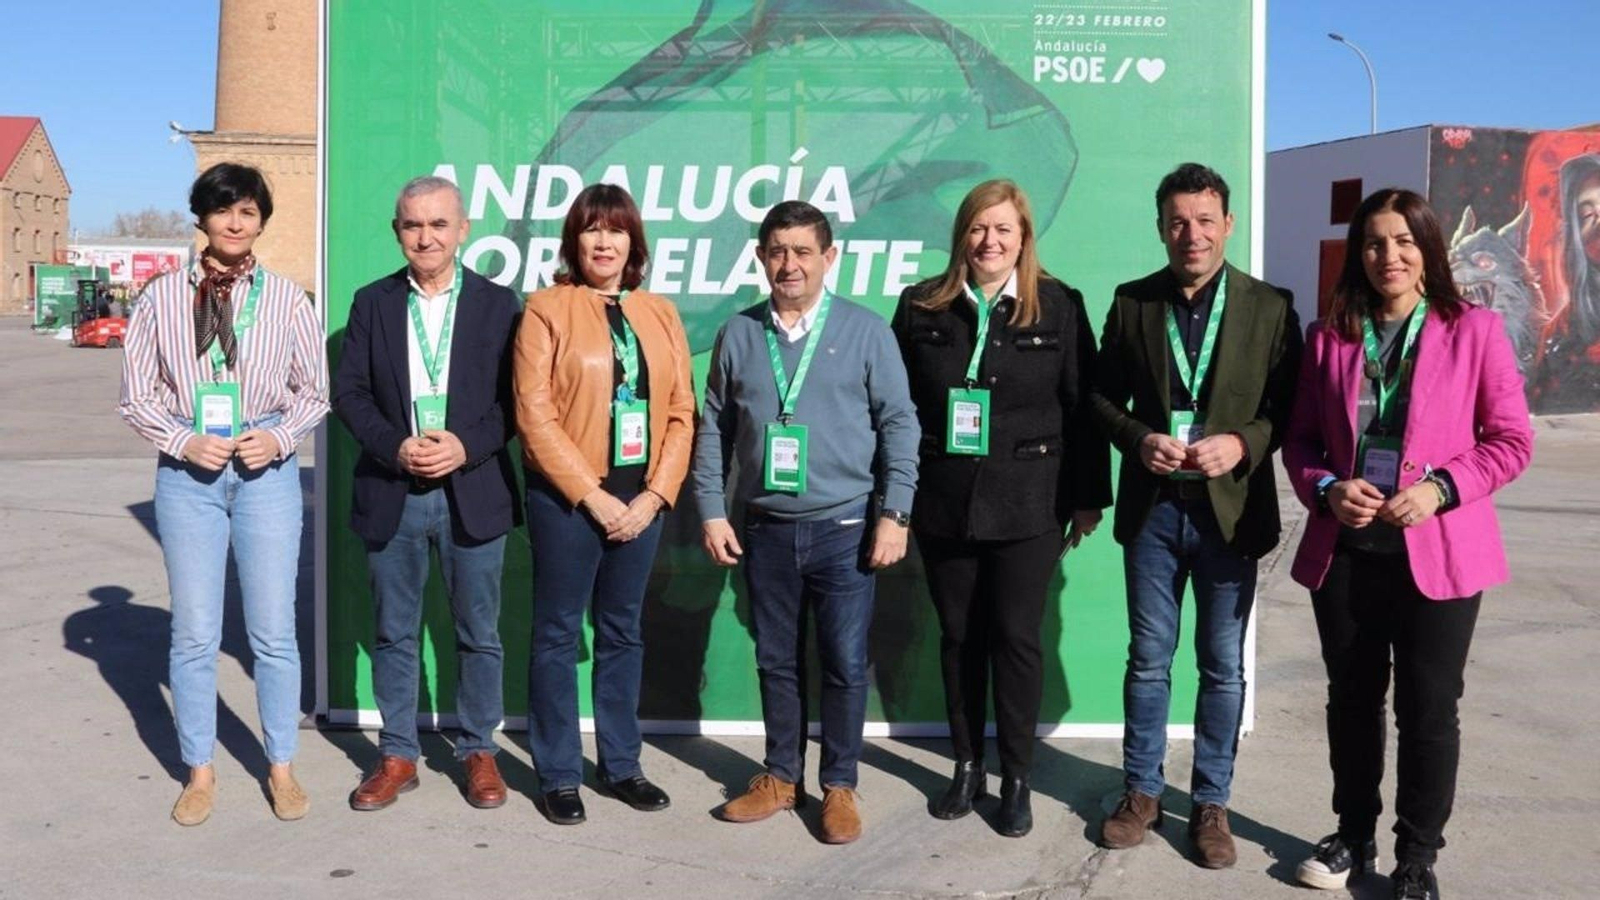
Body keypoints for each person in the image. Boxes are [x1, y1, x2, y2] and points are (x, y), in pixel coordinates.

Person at [1283, 188, 1533, 900]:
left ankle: (1417, 855)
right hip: (1348, 552)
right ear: (1357, 255)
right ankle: (1352, 837)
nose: (1387, 255)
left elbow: (1511, 441)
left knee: (1428, 707)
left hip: (1441, 554)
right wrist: (1328, 484)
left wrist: (1442, 489)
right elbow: (1301, 440)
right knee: (1352, 702)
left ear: (1427, 252)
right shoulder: (1329, 337)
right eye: (1373, 243)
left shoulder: (1473, 330)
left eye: (1403, 241)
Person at [1089, 162, 1302, 868]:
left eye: (1206, 220)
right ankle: (1141, 793)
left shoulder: (1270, 306)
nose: (1193, 234)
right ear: (1160, 227)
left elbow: (1287, 411)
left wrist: (1241, 442)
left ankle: (1211, 804)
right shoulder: (1131, 303)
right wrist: (1139, 438)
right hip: (1153, 514)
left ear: (1228, 225)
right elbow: (1097, 399)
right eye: (1178, 221)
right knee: (1148, 661)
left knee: (1221, 668)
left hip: (1229, 515)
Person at [693, 200, 918, 844]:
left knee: (845, 663)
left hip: (846, 526)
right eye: (776, 251)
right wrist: (712, 510)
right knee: (776, 662)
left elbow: (899, 424)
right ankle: (780, 777)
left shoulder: (867, 331)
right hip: (764, 529)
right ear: (762, 258)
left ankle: (839, 785)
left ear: (829, 258)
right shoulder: (739, 333)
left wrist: (894, 512)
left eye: (802, 251)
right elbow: (713, 430)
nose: (789, 264)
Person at [890, 179, 1110, 837]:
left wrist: (1087, 498)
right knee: (959, 638)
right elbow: (895, 412)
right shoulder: (921, 305)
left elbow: (1083, 404)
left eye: (1004, 230)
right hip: (945, 501)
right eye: (979, 229)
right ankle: (966, 766)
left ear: (1024, 239)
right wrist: (895, 500)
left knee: (1015, 638)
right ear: (962, 235)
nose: (990, 242)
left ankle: (1017, 778)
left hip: (1031, 501)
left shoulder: (1060, 306)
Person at [118, 162, 328, 826]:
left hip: (265, 474)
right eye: (223, 210)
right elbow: (136, 396)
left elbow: (314, 392)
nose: (236, 223)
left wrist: (278, 436)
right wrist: (183, 442)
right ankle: (200, 770)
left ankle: (282, 767)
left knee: (273, 633)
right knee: (194, 635)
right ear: (202, 217)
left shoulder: (290, 299)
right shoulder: (158, 299)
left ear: (261, 220)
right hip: (188, 480)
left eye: (248, 212)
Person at [332, 176, 522, 813]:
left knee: (479, 633)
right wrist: (396, 446)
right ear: (397, 231)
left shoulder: (500, 305)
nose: (426, 236)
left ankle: (478, 750)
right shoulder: (372, 304)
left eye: (439, 224)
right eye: (413, 225)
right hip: (396, 490)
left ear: (462, 229)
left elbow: (515, 402)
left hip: (474, 490)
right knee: (393, 633)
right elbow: (350, 394)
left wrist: (465, 446)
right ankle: (397, 755)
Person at [513, 183, 696, 825]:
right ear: (574, 241)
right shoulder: (546, 309)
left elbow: (680, 413)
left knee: (622, 632)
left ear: (632, 243)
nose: (603, 241)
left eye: (615, 230)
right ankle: (559, 773)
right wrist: (591, 495)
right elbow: (534, 418)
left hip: (641, 502)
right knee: (559, 633)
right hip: (568, 502)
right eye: (591, 229)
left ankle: (622, 766)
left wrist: (653, 496)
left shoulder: (661, 313)